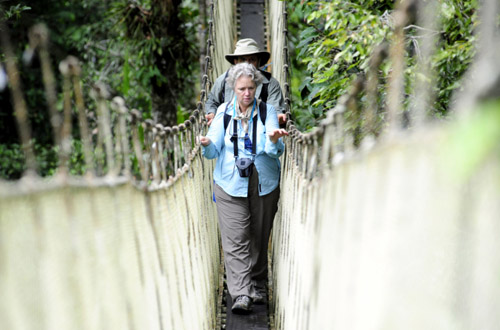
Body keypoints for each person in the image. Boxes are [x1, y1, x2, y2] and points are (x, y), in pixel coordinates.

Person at [200, 63, 288, 314]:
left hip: (263, 180)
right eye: (242, 89)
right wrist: (206, 143)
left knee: (259, 235)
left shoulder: (267, 111)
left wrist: (273, 141)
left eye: (251, 88)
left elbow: (274, 151)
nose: (247, 93)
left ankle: (258, 284)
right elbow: (213, 150)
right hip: (228, 181)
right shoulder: (222, 112)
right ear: (233, 89)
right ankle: (241, 293)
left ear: (257, 87)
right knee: (235, 237)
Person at [205, 38, 287, 127]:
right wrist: (212, 113)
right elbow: (212, 101)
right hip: (228, 131)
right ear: (235, 62)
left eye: (252, 59)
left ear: (258, 62)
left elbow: (275, 109)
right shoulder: (223, 80)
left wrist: (278, 116)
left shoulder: (270, 83)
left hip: (261, 132)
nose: (247, 64)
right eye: (243, 59)